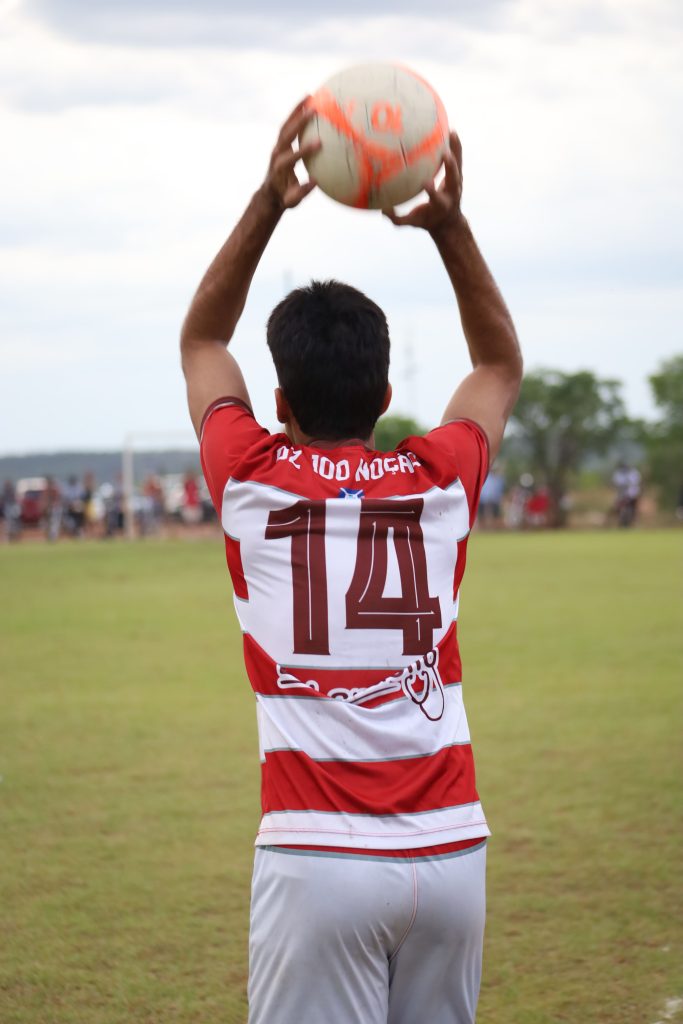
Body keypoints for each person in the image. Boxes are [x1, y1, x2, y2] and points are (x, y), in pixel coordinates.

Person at [181, 99, 522, 1024]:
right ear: (385, 394)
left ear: (278, 401)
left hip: (317, 857)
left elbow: (203, 341)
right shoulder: (437, 478)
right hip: (452, 850)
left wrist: (268, 202)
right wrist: (449, 228)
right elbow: (497, 365)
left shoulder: (250, 476)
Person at [612, 461, 641, 527]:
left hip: (632, 494)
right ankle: (621, 520)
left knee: (633, 508)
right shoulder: (618, 473)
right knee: (618, 506)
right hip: (621, 494)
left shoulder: (633, 473)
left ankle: (633, 520)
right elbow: (616, 483)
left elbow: (635, 482)